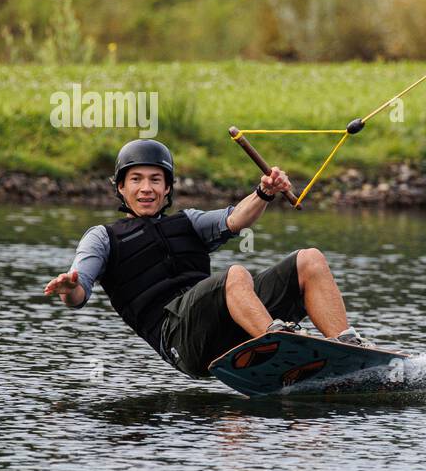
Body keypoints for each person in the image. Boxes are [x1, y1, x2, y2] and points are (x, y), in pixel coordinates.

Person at [43, 139, 365, 378]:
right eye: (136, 179)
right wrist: (68, 288)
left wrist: (264, 192)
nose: (146, 188)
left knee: (309, 259)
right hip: (181, 340)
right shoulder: (102, 238)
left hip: (226, 325)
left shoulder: (188, 222)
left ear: (167, 188)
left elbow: (235, 219)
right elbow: (78, 293)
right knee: (236, 274)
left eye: (156, 180)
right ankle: (280, 343)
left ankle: (350, 352)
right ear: (121, 187)